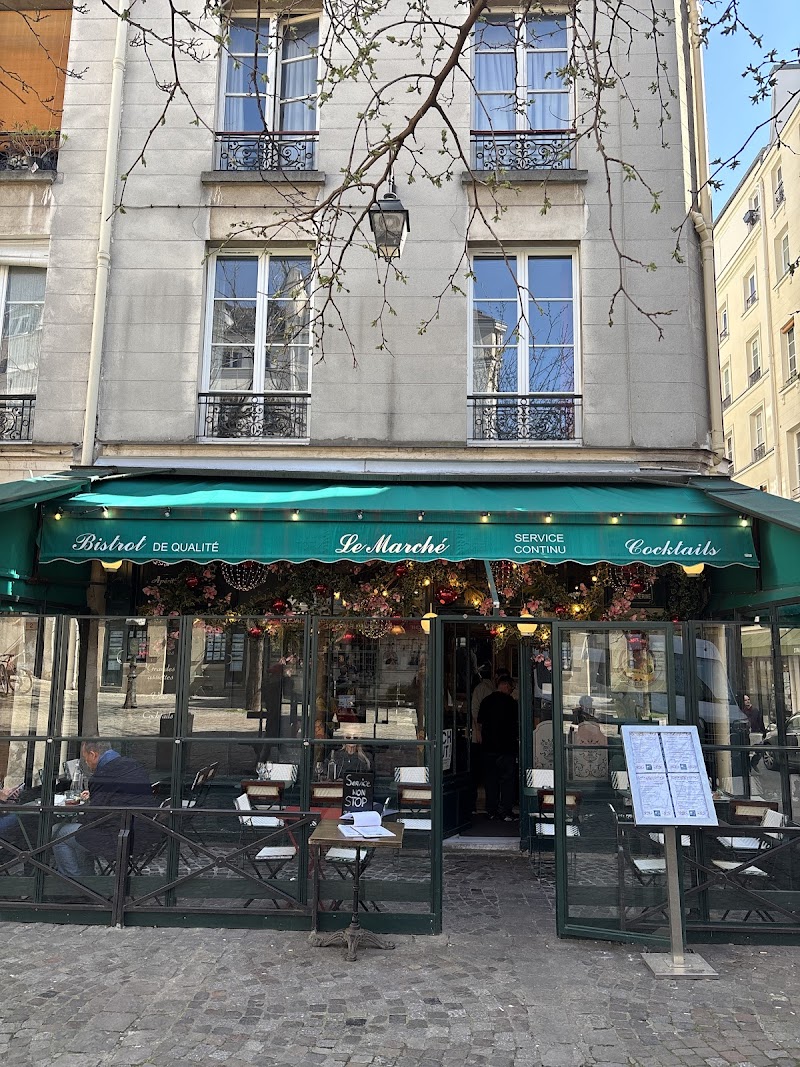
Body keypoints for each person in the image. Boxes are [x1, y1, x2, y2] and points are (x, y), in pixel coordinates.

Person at [51, 740, 158, 879]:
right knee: (79, 830)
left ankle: (74, 886)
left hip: (119, 839)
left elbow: (95, 817)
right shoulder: (134, 765)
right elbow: (119, 796)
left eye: (86, 759)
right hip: (141, 834)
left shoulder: (102, 776)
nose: (87, 763)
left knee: (58, 832)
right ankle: (87, 881)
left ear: (93, 754)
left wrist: (82, 812)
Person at [477, 677, 519, 822]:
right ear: (505, 686)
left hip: (489, 747)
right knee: (507, 781)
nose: (511, 690)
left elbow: (480, 724)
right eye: (511, 688)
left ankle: (491, 811)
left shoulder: (486, 701)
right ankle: (506, 811)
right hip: (506, 747)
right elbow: (516, 723)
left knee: (491, 781)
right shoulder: (511, 703)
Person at [743, 695, 765, 770]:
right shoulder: (743, 711)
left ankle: (753, 763)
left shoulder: (755, 710)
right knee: (747, 752)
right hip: (747, 734)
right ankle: (748, 767)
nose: (748, 701)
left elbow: (760, 722)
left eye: (748, 699)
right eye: (745, 700)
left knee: (759, 750)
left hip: (755, 733)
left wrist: (763, 732)